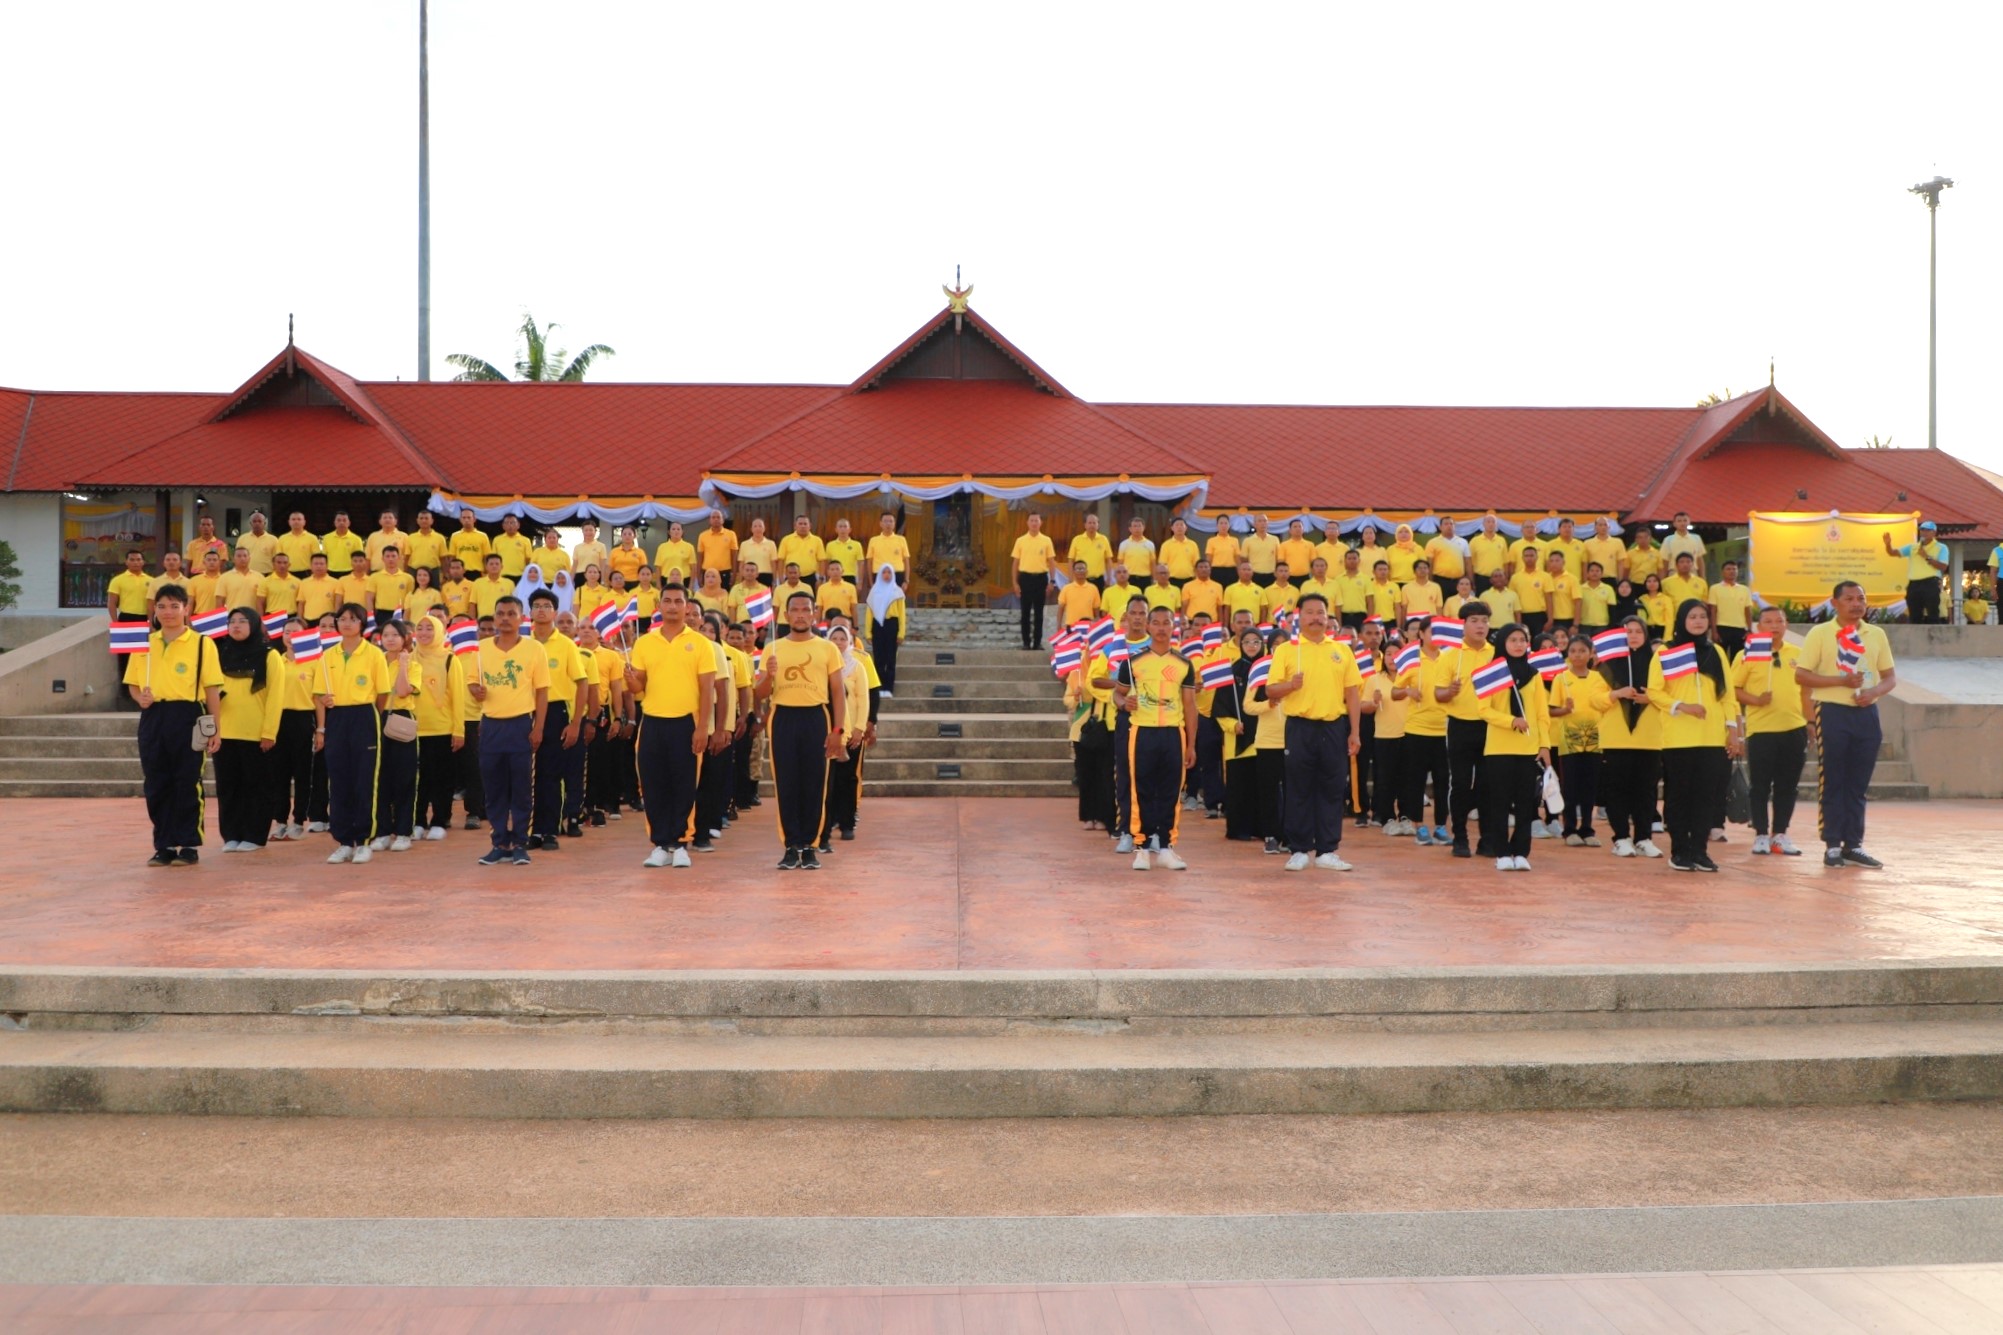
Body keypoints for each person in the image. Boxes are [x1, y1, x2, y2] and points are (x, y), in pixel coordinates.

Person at [1795, 580, 1898, 868]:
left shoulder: (1875, 634)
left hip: (1866, 714)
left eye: (1861, 599)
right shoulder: (1820, 633)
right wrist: (1841, 681)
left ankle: (1853, 845)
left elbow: (1889, 677)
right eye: (1849, 599)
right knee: (1833, 780)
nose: (1856, 604)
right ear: (1835, 603)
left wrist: (1873, 692)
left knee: (1858, 783)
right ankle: (1832, 845)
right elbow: (1801, 675)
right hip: (1831, 712)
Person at [125, 584, 224, 867]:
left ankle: (189, 844)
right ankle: (164, 844)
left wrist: (215, 728)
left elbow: (213, 689)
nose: (167, 612)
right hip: (154, 717)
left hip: (188, 714)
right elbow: (133, 684)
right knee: (156, 781)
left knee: (188, 780)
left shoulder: (202, 643)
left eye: (174, 606)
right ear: (154, 610)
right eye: (161, 606)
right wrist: (140, 698)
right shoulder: (144, 643)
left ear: (186, 608)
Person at [1266, 592, 1362, 871]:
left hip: (1334, 727)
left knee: (1332, 787)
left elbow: (1352, 693)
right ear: (1299, 616)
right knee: (1298, 787)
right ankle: (1298, 849)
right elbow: (1271, 690)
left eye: (1321, 612)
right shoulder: (1287, 650)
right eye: (1309, 612)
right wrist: (1291, 685)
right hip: (1300, 727)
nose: (1316, 618)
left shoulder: (1342, 650)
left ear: (1328, 617)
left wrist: (1355, 732)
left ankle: (1327, 850)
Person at [754, 591, 844, 870]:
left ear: (814, 614)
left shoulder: (827, 648)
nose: (801, 614)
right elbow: (760, 693)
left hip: (816, 717)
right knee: (787, 783)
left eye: (806, 609)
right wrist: (769, 675)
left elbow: (838, 692)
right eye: (795, 609)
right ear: (786, 615)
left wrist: (838, 730)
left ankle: (810, 845)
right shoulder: (773, 648)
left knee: (814, 783)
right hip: (783, 717)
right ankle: (791, 845)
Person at [1648, 599, 1739, 872]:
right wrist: (1682, 706)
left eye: (1702, 616)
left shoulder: (1717, 652)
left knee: (1706, 797)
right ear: (1682, 620)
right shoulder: (1666, 651)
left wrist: (1733, 731)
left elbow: (1728, 695)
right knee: (1679, 796)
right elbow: (1654, 691)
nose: (1698, 621)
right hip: (1678, 737)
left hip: (1712, 737)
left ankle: (1700, 851)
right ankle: (1680, 851)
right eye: (1692, 617)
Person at [1112, 604, 1197, 871]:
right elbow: (1117, 694)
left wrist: (1191, 744)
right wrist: (1124, 703)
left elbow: (1190, 706)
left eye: (1166, 622)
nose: (1161, 628)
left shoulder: (1184, 664)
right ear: (1148, 626)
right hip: (1142, 732)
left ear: (1174, 627)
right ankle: (1142, 848)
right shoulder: (1132, 662)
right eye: (1156, 623)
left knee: (1171, 791)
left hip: (1173, 733)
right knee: (1142, 791)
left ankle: (1166, 848)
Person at [468, 596, 549, 865]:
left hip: (521, 725)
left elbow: (542, 692)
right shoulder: (481, 649)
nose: (505, 618)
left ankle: (520, 843)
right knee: (494, 788)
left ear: (521, 618)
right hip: (491, 725)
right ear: (494, 617)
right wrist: (476, 691)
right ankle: (500, 842)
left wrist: (538, 727)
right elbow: (473, 683)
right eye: (500, 613)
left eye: (511, 613)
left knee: (522, 787)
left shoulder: (534, 649)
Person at [314, 603, 392, 864]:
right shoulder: (328, 655)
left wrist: (371, 716)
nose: (346, 623)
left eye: (352, 619)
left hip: (365, 716)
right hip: (337, 718)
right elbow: (319, 694)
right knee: (339, 780)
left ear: (362, 623)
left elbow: (382, 693)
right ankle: (344, 841)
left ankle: (365, 840)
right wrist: (324, 716)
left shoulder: (374, 654)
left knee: (364, 779)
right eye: (342, 618)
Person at [1732, 605, 1806, 856]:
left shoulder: (1798, 654)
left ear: (1786, 625)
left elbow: (1807, 691)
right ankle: (1761, 834)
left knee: (1788, 786)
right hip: (1762, 731)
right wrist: (1755, 700)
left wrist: (1810, 723)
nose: (1775, 626)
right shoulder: (1747, 654)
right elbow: (1733, 689)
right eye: (1768, 621)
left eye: (1779, 621)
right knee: (1760, 786)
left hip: (1794, 728)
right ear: (1759, 626)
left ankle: (1780, 834)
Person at [1479, 623, 1553, 872]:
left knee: (1525, 804)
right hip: (1498, 748)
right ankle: (1501, 853)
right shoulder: (1493, 673)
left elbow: (1542, 715)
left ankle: (1521, 852)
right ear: (1503, 643)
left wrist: (1544, 745)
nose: (1518, 644)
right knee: (1499, 803)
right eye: (1513, 640)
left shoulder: (1534, 674)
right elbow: (1483, 710)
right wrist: (1511, 721)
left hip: (1528, 748)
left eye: (1522, 640)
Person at [211, 608, 284, 853]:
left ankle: (254, 835)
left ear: (254, 625)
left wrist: (269, 732)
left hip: (255, 733)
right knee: (228, 787)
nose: (236, 625)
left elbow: (276, 696)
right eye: (232, 621)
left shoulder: (269, 655)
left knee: (257, 786)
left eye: (243, 621)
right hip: (224, 731)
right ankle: (231, 834)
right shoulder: (220, 653)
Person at [1427, 600, 1495, 858]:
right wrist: (1450, 691)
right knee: (1461, 784)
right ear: (1463, 625)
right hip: (1460, 726)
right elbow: (1438, 694)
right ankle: (1460, 838)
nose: (1480, 626)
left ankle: (1488, 840)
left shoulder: (1496, 654)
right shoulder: (1450, 656)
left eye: (1484, 621)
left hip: (1491, 726)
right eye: (1474, 621)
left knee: (1488, 785)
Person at [526, 591, 593, 849]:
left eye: (546, 606)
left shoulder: (566, 645)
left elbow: (582, 683)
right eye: (536, 606)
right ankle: (532, 830)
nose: (541, 610)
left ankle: (549, 831)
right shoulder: (525, 644)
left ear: (554, 612)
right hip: (527, 711)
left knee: (551, 774)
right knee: (531, 776)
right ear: (530, 612)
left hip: (556, 713)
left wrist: (575, 723)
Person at [1599, 617, 1663, 857]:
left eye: (1638, 631)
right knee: (1617, 791)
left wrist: (1651, 698)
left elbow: (1670, 696)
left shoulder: (1657, 664)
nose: (1634, 636)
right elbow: (1594, 700)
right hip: (1616, 739)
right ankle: (1621, 837)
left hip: (1649, 738)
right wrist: (1616, 693)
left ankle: (1644, 838)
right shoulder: (1606, 666)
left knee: (1646, 791)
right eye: (1628, 631)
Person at [366, 620, 422, 853]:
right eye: (386, 635)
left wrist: (403, 665)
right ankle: (382, 832)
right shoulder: (375, 662)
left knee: (404, 778)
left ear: (404, 638)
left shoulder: (413, 664)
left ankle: (403, 832)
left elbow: (402, 691)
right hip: (377, 718)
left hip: (401, 720)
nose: (389, 639)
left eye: (395, 635)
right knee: (380, 778)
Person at [408, 614, 467, 840]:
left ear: (440, 631)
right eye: (420, 628)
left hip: (442, 728)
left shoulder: (450, 659)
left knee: (441, 778)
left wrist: (458, 730)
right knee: (418, 780)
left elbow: (458, 698)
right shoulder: (408, 658)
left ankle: (440, 820)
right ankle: (418, 821)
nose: (424, 633)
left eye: (429, 628)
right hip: (413, 728)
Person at [1548, 633, 1609, 847]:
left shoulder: (1599, 679)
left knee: (1590, 786)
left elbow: (1606, 704)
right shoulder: (1561, 678)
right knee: (1570, 787)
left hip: (1595, 739)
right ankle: (1570, 829)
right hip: (1569, 741)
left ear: (1591, 653)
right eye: (1573, 651)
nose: (1577, 655)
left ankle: (1587, 829)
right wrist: (1565, 710)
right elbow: (1551, 710)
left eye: (1582, 651)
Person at [690, 612, 739, 852]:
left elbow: (724, 692)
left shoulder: (715, 650)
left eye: (711, 630)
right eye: (704, 630)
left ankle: (702, 832)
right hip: (680, 725)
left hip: (707, 727)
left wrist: (722, 729)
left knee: (706, 783)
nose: (706, 634)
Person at [821, 622, 873, 844]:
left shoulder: (857, 666)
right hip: (828, 731)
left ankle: (847, 823)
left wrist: (859, 728)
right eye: (834, 638)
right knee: (829, 780)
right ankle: (828, 820)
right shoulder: (823, 665)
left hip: (851, 733)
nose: (839, 643)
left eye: (843, 639)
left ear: (850, 642)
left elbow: (863, 699)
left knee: (848, 779)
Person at [270, 616, 319, 842]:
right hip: (278, 720)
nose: (291, 636)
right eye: (287, 632)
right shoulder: (275, 661)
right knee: (278, 773)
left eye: (296, 632)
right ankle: (280, 821)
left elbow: (318, 698)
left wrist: (321, 729)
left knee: (302, 773)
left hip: (303, 719)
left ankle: (299, 820)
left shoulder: (313, 662)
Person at [1066, 631, 1117, 831]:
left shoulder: (1108, 674)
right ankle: (1088, 815)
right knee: (1085, 774)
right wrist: (1076, 696)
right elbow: (1067, 700)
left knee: (1104, 774)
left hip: (1103, 728)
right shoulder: (1076, 674)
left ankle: (1104, 816)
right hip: (1082, 730)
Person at [578, 621, 626, 828]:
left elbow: (616, 688)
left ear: (599, 633)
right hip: (577, 712)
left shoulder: (611, 656)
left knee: (600, 761)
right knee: (578, 762)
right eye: (583, 627)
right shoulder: (573, 653)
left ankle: (597, 807)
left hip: (601, 712)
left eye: (591, 628)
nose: (587, 631)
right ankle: (578, 807)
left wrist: (617, 718)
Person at [1884, 520, 1950, 624]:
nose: (1924, 532)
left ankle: (1933, 633)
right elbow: (1892, 553)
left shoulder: (1941, 547)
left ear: (1934, 532)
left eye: (1927, 530)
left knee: (1932, 613)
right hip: (1914, 583)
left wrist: (1926, 557)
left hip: (1931, 582)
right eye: (1922, 530)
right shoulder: (1913, 547)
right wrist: (1888, 544)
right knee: (1914, 614)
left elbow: (1943, 566)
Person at [1011, 513, 1057, 650]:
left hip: (1041, 579)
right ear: (1027, 522)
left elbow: (1051, 562)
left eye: (1036, 520)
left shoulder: (1046, 540)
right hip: (1025, 578)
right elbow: (1015, 563)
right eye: (1031, 520)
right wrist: (1015, 583)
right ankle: (1026, 642)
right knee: (1025, 613)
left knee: (1039, 613)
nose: (1034, 523)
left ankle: (1037, 643)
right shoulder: (1020, 540)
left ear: (1040, 522)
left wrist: (1052, 581)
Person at [863, 563, 906, 697]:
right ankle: (879, 688)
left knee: (890, 658)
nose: (886, 575)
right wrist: (868, 633)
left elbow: (902, 614)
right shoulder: (874, 591)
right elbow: (869, 613)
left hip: (892, 624)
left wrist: (901, 633)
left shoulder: (897, 592)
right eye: (884, 572)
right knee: (879, 658)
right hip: (877, 625)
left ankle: (889, 688)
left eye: (889, 572)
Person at [1708, 560, 1755, 657]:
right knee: (1720, 656)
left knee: (1738, 657)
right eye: (1728, 569)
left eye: (1734, 569)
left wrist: (1749, 629)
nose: (1732, 571)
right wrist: (1714, 631)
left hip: (1740, 629)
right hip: (1721, 628)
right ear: (1722, 572)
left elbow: (1748, 611)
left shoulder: (1745, 590)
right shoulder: (1715, 588)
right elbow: (1713, 611)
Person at [1068, 513, 1114, 588]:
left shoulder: (1103, 539)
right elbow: (1071, 560)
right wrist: (1070, 579)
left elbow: (1108, 560)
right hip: (1081, 579)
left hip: (1099, 580)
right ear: (1085, 525)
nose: (1092, 525)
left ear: (1098, 525)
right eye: (1089, 523)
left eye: (1094, 523)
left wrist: (1109, 578)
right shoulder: (1077, 540)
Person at [866, 512, 909, 586]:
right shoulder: (873, 540)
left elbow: (906, 561)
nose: (888, 524)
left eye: (891, 521)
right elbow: (869, 562)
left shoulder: (901, 539)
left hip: (897, 574)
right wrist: (871, 582)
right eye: (885, 521)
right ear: (880, 523)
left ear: (894, 523)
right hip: (879, 574)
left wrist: (906, 580)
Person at [106, 549, 151, 620]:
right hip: (126, 617)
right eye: (132, 560)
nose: (135, 562)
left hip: (146, 617)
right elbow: (111, 603)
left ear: (143, 562)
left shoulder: (152, 581)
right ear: (126, 562)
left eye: (138, 559)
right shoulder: (117, 580)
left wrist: (151, 620)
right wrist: (115, 622)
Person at [1660, 512, 1706, 579]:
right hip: (1674, 573)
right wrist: (1663, 579)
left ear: (1689, 522)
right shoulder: (1668, 540)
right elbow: (1665, 561)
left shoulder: (1696, 538)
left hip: (1693, 573)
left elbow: (1699, 559)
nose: (1682, 523)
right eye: (1679, 521)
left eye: (1685, 520)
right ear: (1674, 523)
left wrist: (1703, 577)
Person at [276, 512, 322, 577]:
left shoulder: (312, 538)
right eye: (293, 519)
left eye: (299, 519)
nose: (296, 521)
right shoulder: (282, 538)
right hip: (287, 573)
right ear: (289, 522)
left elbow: (316, 557)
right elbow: (279, 558)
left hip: (306, 573)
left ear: (304, 522)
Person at [321, 511, 364, 577]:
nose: (341, 522)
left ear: (349, 523)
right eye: (338, 520)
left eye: (344, 520)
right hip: (330, 572)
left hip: (350, 572)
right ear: (334, 523)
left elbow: (360, 559)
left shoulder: (356, 539)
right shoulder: (326, 538)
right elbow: (324, 557)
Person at [740, 517, 778, 587]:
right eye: (755, 526)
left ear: (764, 529)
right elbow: (741, 564)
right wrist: (741, 579)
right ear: (751, 529)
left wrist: (774, 580)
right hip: (749, 575)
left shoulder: (771, 544)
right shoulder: (744, 544)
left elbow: (774, 564)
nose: (758, 528)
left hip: (766, 576)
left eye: (760, 526)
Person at [492, 514, 533, 579]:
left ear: (518, 525)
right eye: (507, 523)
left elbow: (528, 559)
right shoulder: (497, 540)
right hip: (502, 575)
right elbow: (494, 558)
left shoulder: (525, 540)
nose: (510, 525)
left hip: (520, 575)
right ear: (503, 526)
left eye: (512, 523)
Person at [826, 518, 864, 584]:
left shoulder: (857, 545)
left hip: (850, 577)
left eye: (845, 526)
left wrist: (860, 581)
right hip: (835, 577)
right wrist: (827, 579)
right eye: (840, 526)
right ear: (836, 530)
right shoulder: (830, 545)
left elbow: (860, 564)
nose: (842, 529)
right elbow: (827, 564)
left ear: (849, 530)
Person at [1204, 521, 1241, 586]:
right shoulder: (1211, 541)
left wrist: (1240, 572)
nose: (1223, 525)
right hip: (1216, 571)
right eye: (1221, 523)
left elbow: (1237, 558)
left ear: (1229, 526)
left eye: (1226, 523)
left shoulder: (1235, 540)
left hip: (1231, 571)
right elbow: (1209, 559)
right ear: (1217, 526)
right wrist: (1207, 572)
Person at [1639, 573, 1673, 641]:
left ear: (1659, 583)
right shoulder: (1641, 599)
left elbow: (1669, 619)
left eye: (1655, 581)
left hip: (1660, 630)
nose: (1652, 583)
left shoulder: (1666, 599)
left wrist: (1667, 637)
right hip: (1646, 630)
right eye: (1649, 581)